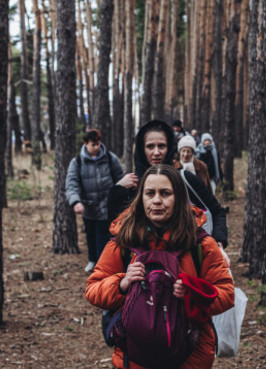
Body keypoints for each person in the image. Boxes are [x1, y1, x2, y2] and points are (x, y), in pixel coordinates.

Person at [85, 164, 234, 369]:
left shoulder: (201, 243)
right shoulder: (124, 240)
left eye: (165, 193)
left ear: (179, 198)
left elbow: (226, 293)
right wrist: (122, 283)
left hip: (190, 357)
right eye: (150, 193)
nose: (156, 201)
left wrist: (192, 292)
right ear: (141, 198)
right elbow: (93, 289)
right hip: (135, 357)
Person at [108, 120, 230, 266]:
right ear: (141, 149)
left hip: (186, 271)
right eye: (150, 146)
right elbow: (115, 230)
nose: (156, 152)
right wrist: (117, 190)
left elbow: (217, 212)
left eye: (162, 146)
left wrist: (218, 244)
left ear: (170, 148)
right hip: (139, 274)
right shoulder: (131, 185)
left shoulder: (185, 180)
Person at [66, 129, 124, 272]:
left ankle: (103, 265)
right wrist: (76, 202)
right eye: (93, 144)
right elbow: (72, 183)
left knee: (104, 238)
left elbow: (121, 180)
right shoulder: (77, 162)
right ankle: (92, 260)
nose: (96, 147)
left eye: (98, 144)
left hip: (107, 208)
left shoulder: (110, 158)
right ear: (85, 144)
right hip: (89, 209)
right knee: (91, 236)